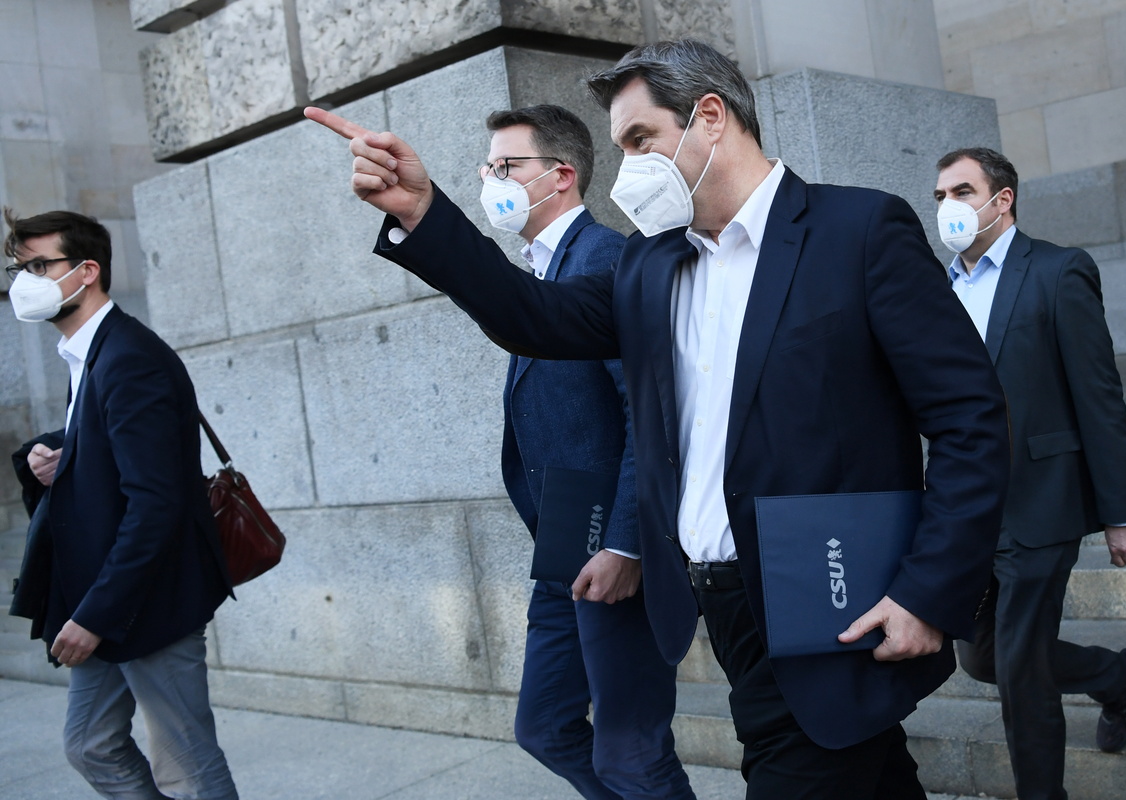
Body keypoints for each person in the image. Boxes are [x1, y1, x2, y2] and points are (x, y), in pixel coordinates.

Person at [307, 39, 1010, 800]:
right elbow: (531, 315)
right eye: (620, 148)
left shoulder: (858, 229)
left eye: (641, 139)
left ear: (710, 116)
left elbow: (970, 419)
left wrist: (927, 589)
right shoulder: (650, 262)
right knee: (863, 768)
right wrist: (423, 212)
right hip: (720, 603)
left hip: (832, 592)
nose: (628, 167)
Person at [474, 104, 694, 799]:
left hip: (613, 546)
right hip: (563, 544)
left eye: (506, 166)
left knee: (632, 751)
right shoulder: (541, 269)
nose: (490, 180)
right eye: (487, 168)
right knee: (545, 727)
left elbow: (648, 413)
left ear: (561, 175)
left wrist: (627, 542)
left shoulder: (604, 259)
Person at [934, 147, 1126, 800]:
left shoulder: (1059, 271)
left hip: (1041, 499)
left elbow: (1099, 395)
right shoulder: (938, 288)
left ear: (1001, 200)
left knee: (1022, 665)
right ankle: (1120, 675)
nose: (948, 206)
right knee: (983, 657)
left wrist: (1122, 512)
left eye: (962, 191)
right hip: (969, 508)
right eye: (940, 195)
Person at [5, 209, 238, 799]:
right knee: (91, 743)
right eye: (19, 269)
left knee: (188, 766)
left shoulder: (129, 356)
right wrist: (56, 454)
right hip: (105, 597)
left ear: (87, 271)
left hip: (146, 601)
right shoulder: (89, 351)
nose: (25, 282)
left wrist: (94, 617)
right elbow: (114, 445)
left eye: (39, 266)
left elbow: (156, 504)